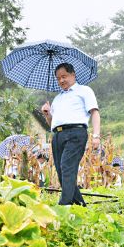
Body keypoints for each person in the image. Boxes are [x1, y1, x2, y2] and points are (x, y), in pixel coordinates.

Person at [41, 63, 101, 205]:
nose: (61, 80)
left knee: (67, 167)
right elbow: (52, 123)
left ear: (73, 75)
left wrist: (97, 135)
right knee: (62, 172)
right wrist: (47, 114)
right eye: (58, 78)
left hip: (76, 133)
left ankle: (64, 205)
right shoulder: (57, 98)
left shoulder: (84, 90)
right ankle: (80, 205)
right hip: (58, 135)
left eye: (64, 76)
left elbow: (95, 112)